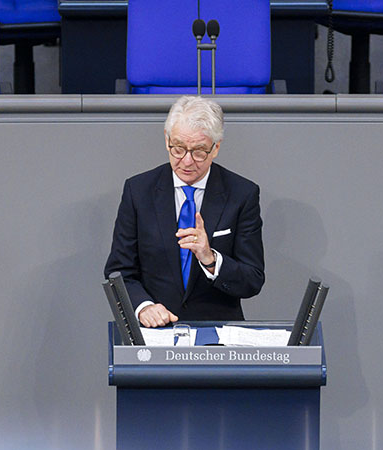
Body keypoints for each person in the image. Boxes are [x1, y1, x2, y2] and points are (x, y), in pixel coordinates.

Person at [104, 96, 265, 328]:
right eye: (178, 149)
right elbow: (118, 271)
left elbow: (252, 279)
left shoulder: (241, 194)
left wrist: (211, 259)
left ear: (216, 148)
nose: (187, 161)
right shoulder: (138, 191)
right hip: (156, 332)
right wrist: (144, 307)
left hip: (218, 334)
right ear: (167, 140)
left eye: (199, 151)